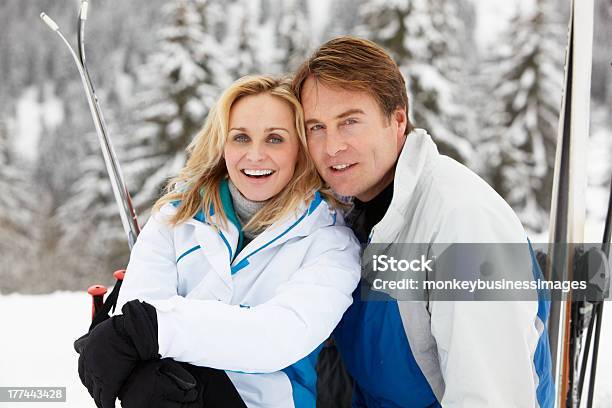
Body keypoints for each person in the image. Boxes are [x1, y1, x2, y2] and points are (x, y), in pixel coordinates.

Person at [292, 37, 554, 407]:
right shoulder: (346, 215)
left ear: (397, 119)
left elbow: (489, 396)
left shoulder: (463, 222)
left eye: (349, 121)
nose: (331, 146)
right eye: (316, 127)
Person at [75, 75, 361, 408]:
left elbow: (281, 335)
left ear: (300, 148)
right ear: (222, 143)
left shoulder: (330, 240)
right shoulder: (176, 217)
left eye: (275, 139)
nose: (255, 155)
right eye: (241, 137)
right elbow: (137, 315)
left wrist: (157, 329)